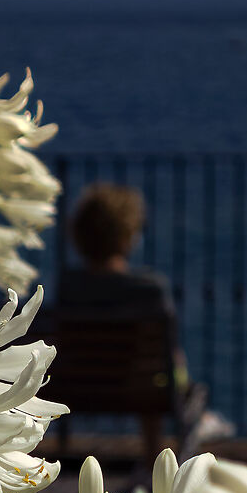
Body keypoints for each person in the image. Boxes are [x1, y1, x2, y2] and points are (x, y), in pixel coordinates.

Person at [49, 184, 206, 445]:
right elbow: (171, 355)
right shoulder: (149, 288)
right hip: (142, 390)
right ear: (127, 237)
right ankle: (152, 460)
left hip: (76, 387)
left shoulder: (68, 285)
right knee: (162, 375)